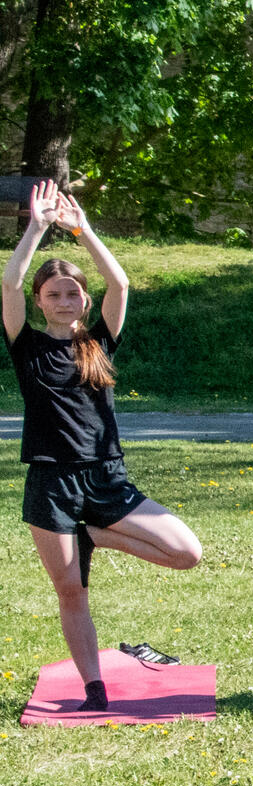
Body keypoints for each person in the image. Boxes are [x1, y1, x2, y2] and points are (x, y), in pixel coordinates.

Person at [3, 182, 203, 710]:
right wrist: (36, 228)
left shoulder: (97, 341)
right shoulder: (26, 347)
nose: (64, 301)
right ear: (40, 302)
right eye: (53, 295)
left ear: (83, 299)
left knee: (186, 552)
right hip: (50, 484)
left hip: (106, 479)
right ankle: (94, 689)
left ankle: (96, 534)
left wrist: (82, 229)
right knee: (72, 591)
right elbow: (10, 281)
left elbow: (121, 280)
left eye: (72, 293)